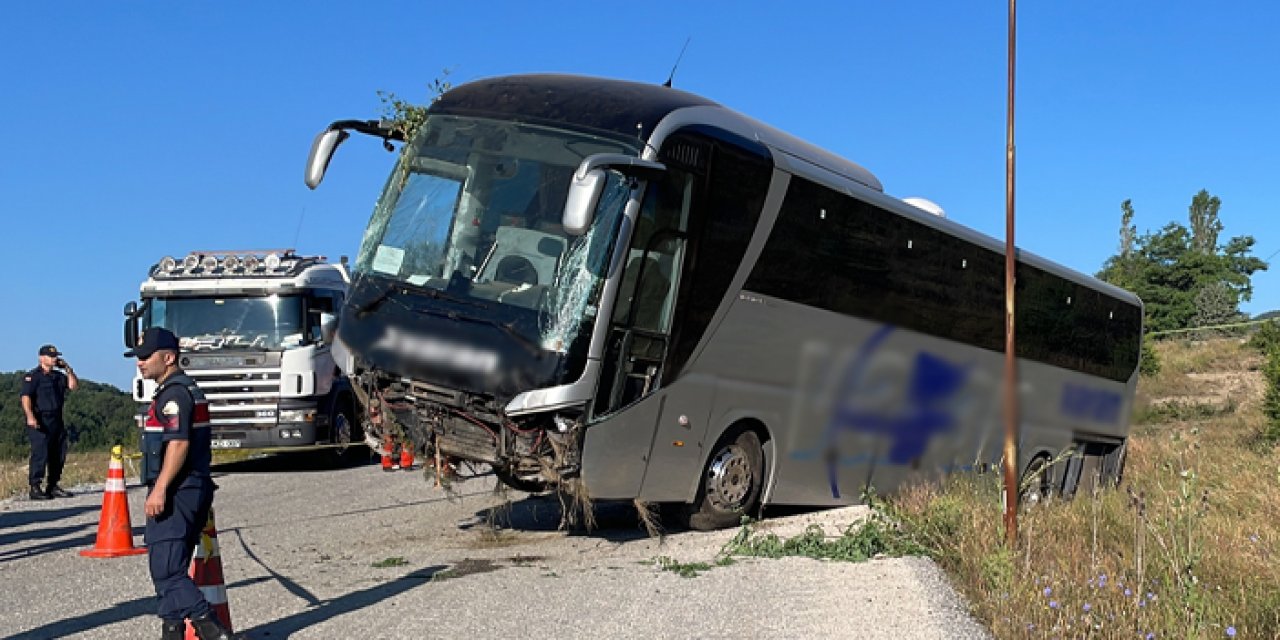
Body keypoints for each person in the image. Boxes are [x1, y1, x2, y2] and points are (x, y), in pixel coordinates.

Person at [127, 327, 245, 640]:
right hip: (189, 488)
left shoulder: (176, 394)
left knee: (166, 569)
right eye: (137, 357)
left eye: (145, 357)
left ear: (168, 358)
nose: (139, 363)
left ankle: (214, 632)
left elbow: (178, 445)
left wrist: (160, 488)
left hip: (179, 490)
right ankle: (172, 631)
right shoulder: (178, 390)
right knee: (167, 568)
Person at [20, 344, 78, 500]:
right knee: (41, 452)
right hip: (40, 419)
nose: (54, 359)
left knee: (58, 453)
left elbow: (73, 386)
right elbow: (26, 397)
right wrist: (30, 416)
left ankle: (53, 485)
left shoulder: (58, 377)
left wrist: (67, 368)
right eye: (51, 356)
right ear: (41, 358)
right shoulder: (33, 376)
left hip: (56, 418)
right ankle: (35, 486)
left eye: (56, 357)